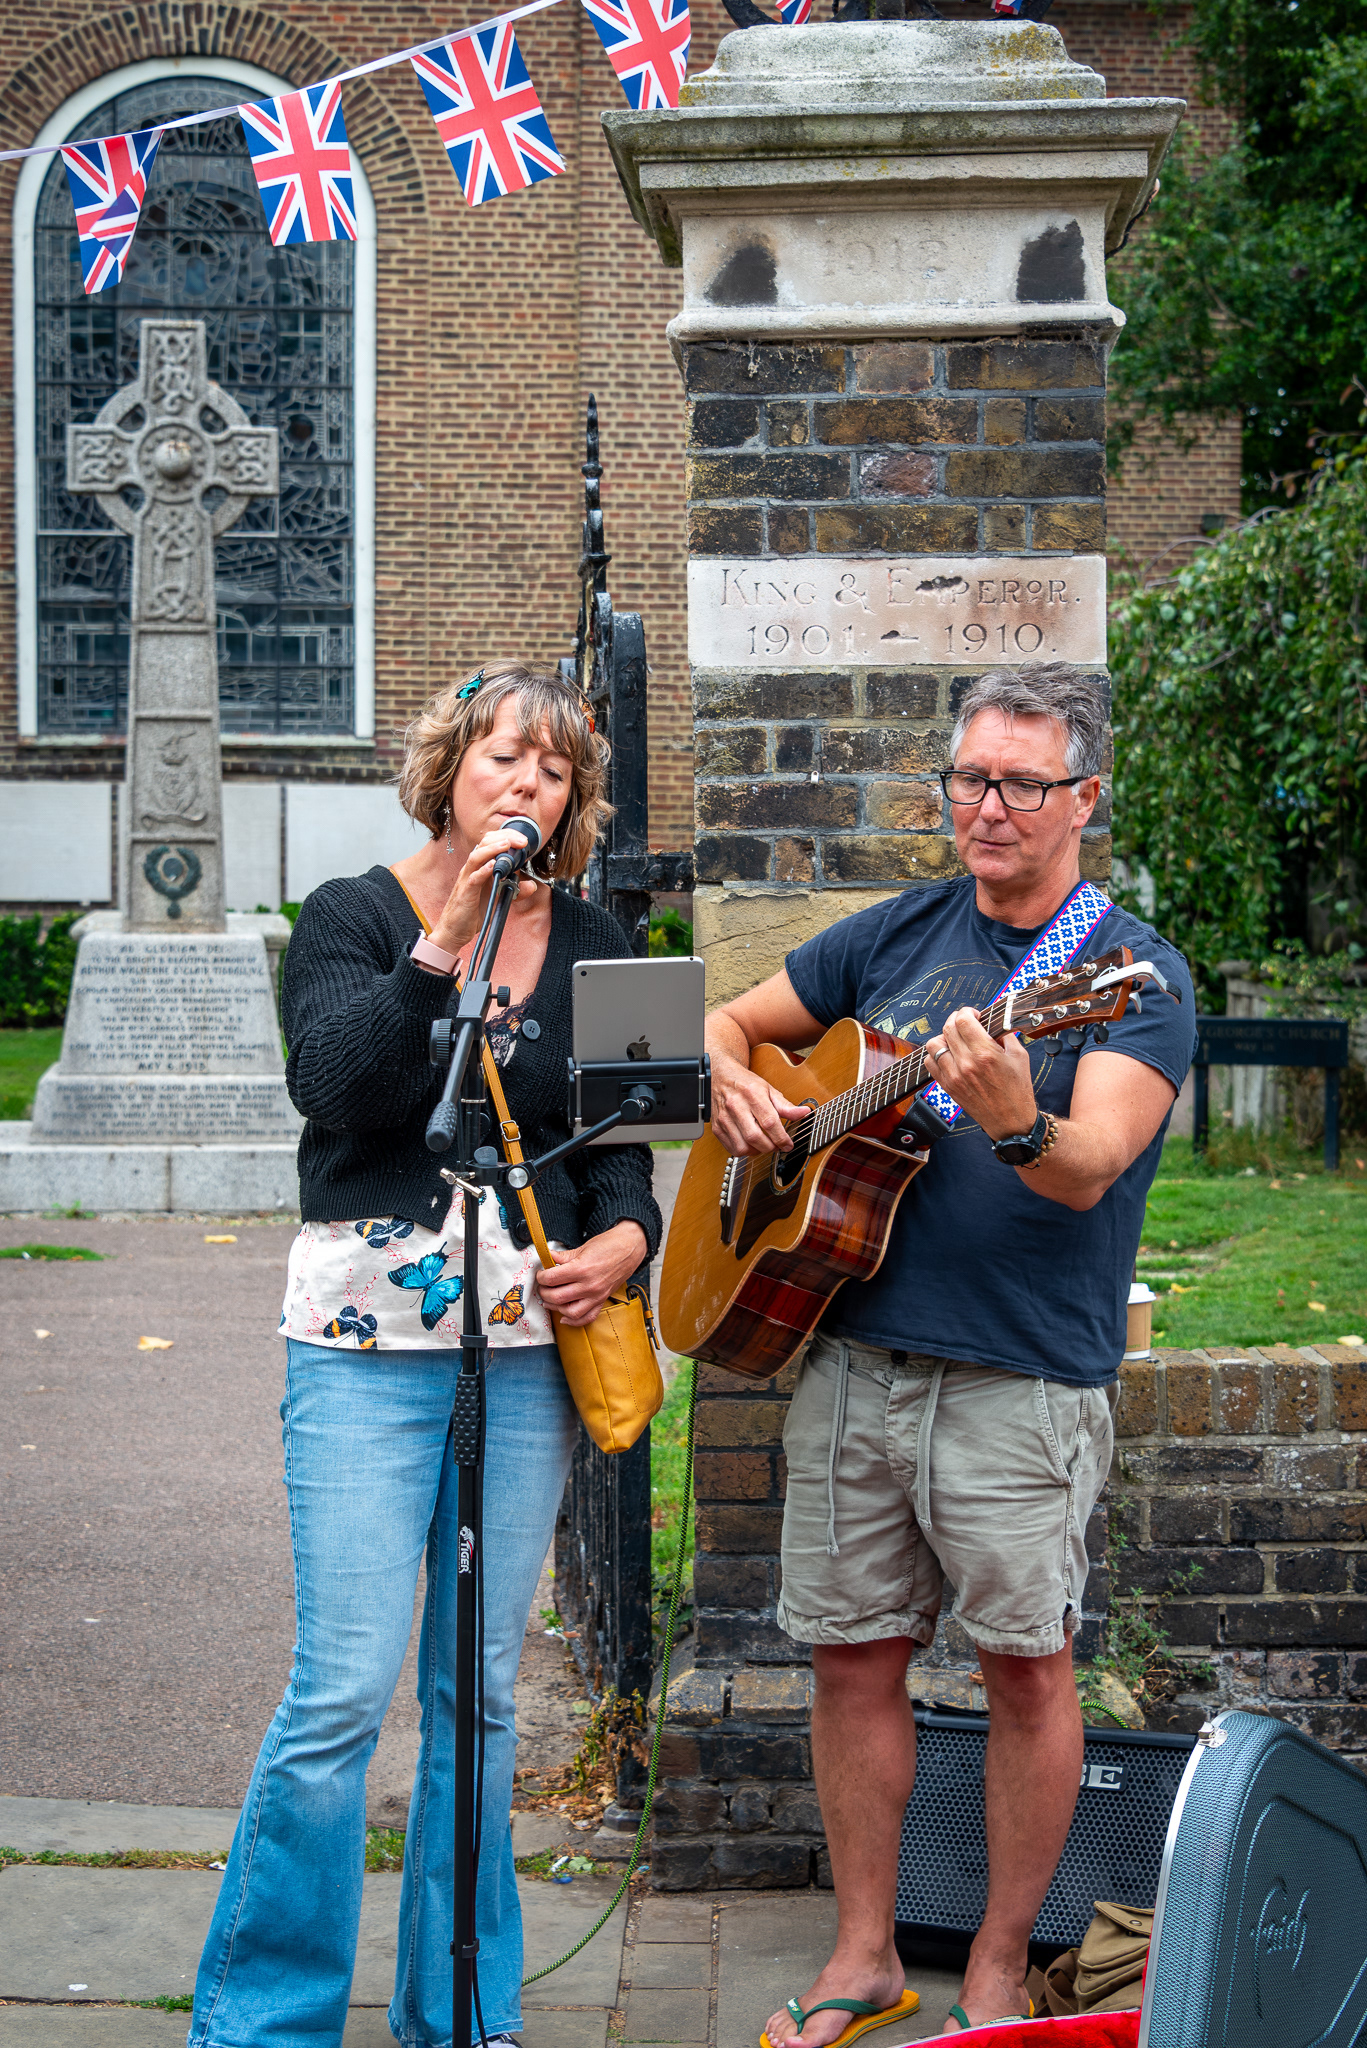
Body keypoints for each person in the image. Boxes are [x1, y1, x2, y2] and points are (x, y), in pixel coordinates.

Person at [703, 664, 1196, 2046]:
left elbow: (1090, 1164)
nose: (988, 807)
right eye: (970, 778)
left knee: (1026, 1667)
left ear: (1083, 800)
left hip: (1024, 1379)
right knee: (849, 1658)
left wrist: (1018, 1118)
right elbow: (732, 1019)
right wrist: (733, 1074)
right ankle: (864, 1953)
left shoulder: (1131, 978)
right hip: (855, 1357)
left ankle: (992, 1966)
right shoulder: (895, 934)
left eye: (1022, 784)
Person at [189, 664, 661, 2048]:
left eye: (555, 769)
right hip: (358, 1352)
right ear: (450, 768)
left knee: (483, 1695)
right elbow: (337, 1087)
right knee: (341, 1689)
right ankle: (267, 2018)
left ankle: (461, 2011)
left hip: (521, 1361)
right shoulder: (351, 915)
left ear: (574, 799)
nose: (526, 783)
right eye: (504, 758)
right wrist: (445, 939)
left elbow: (625, 1140)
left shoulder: (596, 937)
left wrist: (627, 1241)